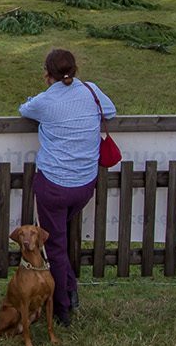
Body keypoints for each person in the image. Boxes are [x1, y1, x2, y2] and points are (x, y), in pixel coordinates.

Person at [17, 48, 113, 328]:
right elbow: (110, 110)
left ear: (47, 73)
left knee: (55, 245)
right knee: (59, 238)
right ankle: (69, 288)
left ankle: (63, 304)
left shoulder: (46, 101)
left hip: (55, 185)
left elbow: (24, 109)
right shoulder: (91, 91)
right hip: (84, 183)